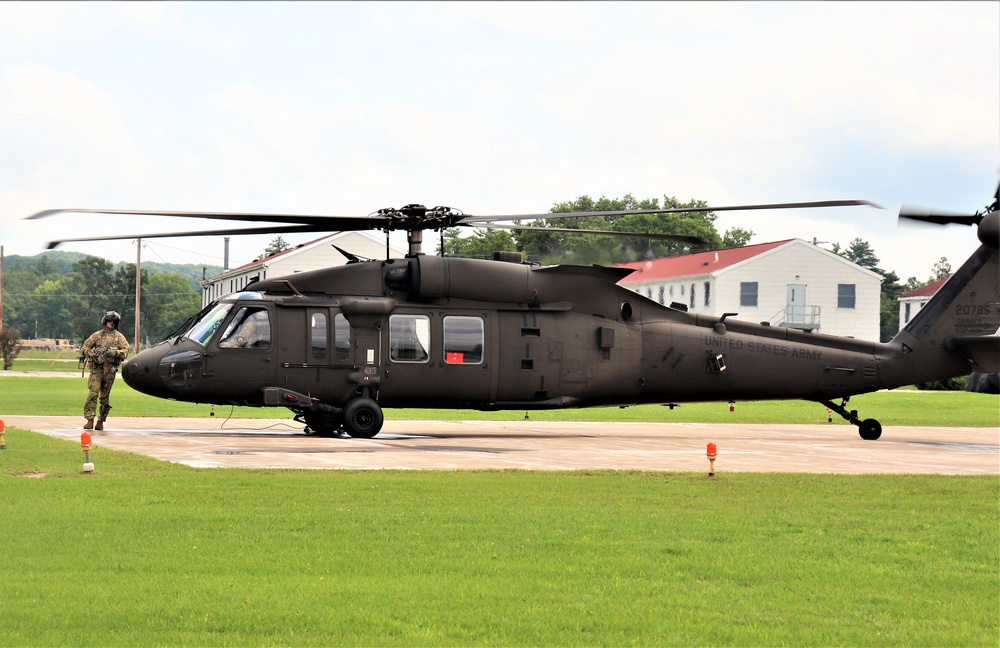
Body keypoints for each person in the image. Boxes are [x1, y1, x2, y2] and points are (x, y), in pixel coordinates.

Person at [80, 311, 131, 431]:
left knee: (104, 397)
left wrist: (116, 352)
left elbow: (126, 350)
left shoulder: (119, 337)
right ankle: (90, 419)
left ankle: (101, 420)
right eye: (109, 321)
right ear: (105, 321)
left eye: (114, 321)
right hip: (96, 369)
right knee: (93, 393)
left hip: (110, 371)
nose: (111, 323)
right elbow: (85, 347)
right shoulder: (97, 335)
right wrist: (88, 352)